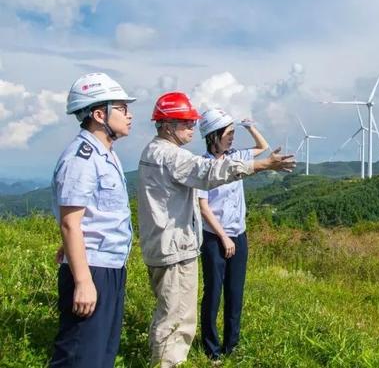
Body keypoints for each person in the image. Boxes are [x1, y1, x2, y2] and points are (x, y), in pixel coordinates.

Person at [137, 92, 294, 367]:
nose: (191, 128)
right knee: (174, 317)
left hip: (167, 245)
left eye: (192, 122)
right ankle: (167, 362)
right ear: (166, 125)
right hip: (175, 247)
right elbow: (209, 173)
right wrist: (262, 165)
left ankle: (182, 356)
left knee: (174, 313)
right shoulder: (172, 157)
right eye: (186, 122)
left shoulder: (154, 152)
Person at [50, 72, 136, 367]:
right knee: (79, 356)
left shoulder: (106, 153)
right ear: (100, 114)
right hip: (93, 270)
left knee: (101, 354)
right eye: (122, 108)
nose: (130, 115)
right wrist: (83, 281)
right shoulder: (82, 157)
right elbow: (69, 222)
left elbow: (87, 216)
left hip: (110, 266)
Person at [197, 109, 268, 360]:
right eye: (228, 134)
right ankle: (211, 349)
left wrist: (250, 127)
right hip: (215, 238)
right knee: (214, 292)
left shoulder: (236, 157)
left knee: (235, 292)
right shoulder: (203, 165)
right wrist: (224, 237)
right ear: (213, 136)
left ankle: (231, 346)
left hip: (239, 234)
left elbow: (263, 147)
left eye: (233, 133)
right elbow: (203, 207)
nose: (232, 138)